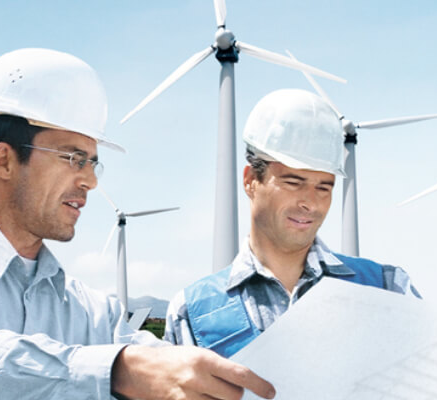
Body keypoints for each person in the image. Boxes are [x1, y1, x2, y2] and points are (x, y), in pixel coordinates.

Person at [0, 48, 275, 400]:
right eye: (73, 158)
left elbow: (165, 367)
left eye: (93, 163)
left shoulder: (95, 314)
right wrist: (118, 370)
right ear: (4, 160)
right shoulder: (109, 347)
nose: (90, 181)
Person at [165, 88, 421, 357]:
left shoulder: (388, 289)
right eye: (293, 183)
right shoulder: (190, 315)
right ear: (251, 180)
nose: (310, 203)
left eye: (324, 188)